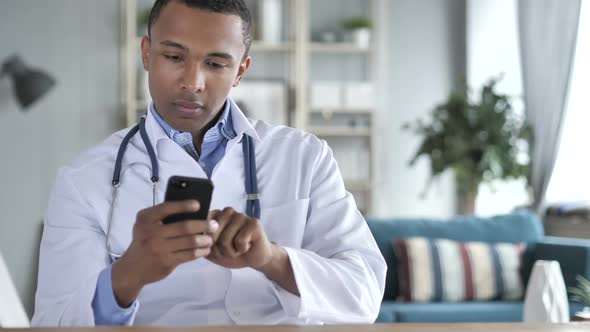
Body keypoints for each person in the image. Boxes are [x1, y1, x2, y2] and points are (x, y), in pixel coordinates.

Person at [32, 0, 386, 326]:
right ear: (146, 53)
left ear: (240, 71)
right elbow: (52, 321)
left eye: (215, 64)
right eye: (174, 57)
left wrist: (272, 259)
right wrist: (130, 273)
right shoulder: (83, 180)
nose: (192, 82)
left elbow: (365, 293)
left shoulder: (306, 157)